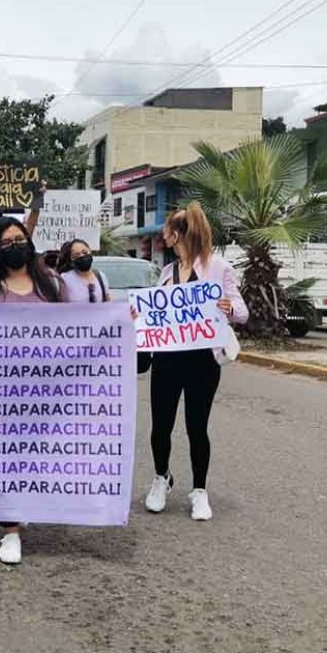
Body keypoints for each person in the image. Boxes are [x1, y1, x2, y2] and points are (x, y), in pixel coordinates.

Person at [0, 182, 63, 565]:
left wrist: (118, 323)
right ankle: (10, 530)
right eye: (6, 242)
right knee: (4, 458)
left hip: (44, 392)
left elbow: (79, 328)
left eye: (20, 238)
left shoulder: (50, 285)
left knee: (32, 456)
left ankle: (22, 507)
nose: (15, 245)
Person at [143, 202, 248, 522]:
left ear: (177, 235)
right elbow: (154, 316)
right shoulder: (165, 273)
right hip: (166, 361)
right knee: (160, 426)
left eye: (166, 232)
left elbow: (242, 313)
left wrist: (227, 306)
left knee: (196, 427)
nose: (163, 237)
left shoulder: (218, 268)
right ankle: (162, 478)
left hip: (203, 361)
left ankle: (199, 491)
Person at [57, 238, 110, 303]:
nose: (82, 256)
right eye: (76, 255)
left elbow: (108, 303)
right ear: (71, 260)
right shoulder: (64, 279)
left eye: (85, 252)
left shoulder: (101, 276)